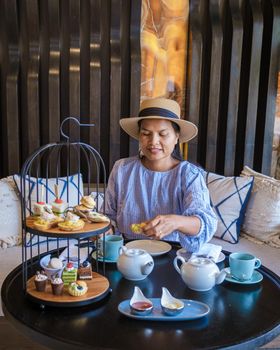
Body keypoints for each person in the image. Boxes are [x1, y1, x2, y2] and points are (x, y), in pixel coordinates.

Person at [104, 98, 217, 252]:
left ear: (177, 137)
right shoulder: (122, 169)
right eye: (146, 133)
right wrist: (104, 229)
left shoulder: (189, 175)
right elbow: (108, 216)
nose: (153, 141)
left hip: (173, 256)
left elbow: (205, 223)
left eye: (163, 134)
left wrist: (176, 222)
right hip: (126, 255)